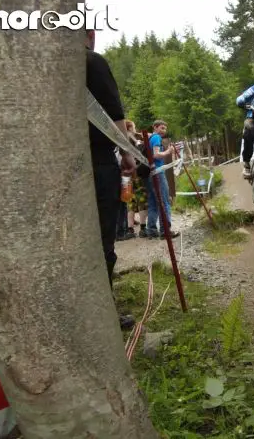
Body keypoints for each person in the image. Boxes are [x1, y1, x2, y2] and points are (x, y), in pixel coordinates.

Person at [86, 29, 137, 330]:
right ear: (89, 34)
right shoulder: (92, 62)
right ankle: (102, 314)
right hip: (98, 161)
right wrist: (127, 153)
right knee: (102, 240)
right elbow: (113, 116)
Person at [146, 120, 180, 240]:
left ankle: (151, 230)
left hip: (150, 173)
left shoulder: (149, 139)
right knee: (164, 202)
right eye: (161, 127)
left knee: (153, 203)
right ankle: (165, 231)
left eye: (165, 128)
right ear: (154, 127)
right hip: (158, 172)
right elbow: (156, 155)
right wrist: (168, 151)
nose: (164, 130)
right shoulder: (156, 138)